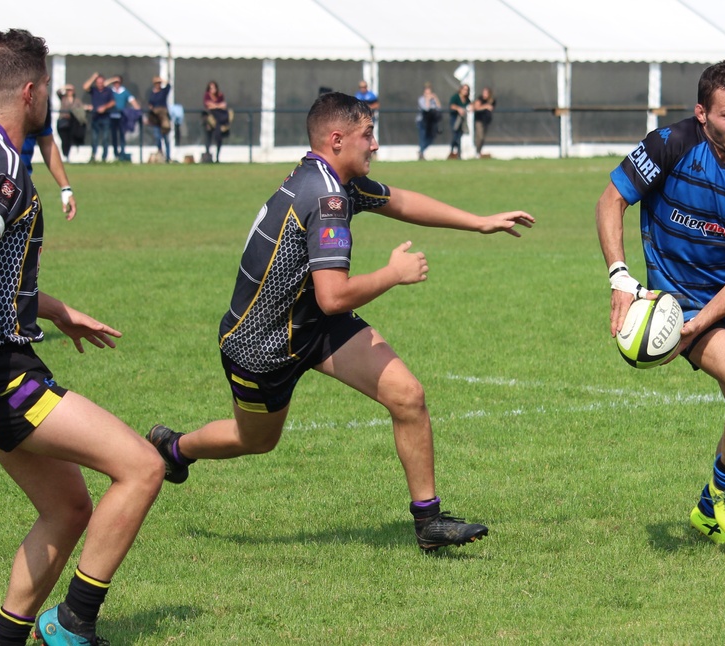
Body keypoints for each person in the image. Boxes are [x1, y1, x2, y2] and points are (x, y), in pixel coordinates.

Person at [146, 91, 534, 552]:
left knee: (407, 395)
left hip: (312, 323)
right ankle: (175, 449)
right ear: (336, 140)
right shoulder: (327, 196)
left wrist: (479, 222)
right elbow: (333, 297)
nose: (375, 144)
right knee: (255, 440)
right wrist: (394, 274)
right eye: (367, 135)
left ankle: (428, 523)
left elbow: (399, 200)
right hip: (262, 346)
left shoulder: (330, 178)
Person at [0, 29, 164, 646]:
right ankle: (72, 625)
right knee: (142, 467)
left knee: (69, 508)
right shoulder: (2, 166)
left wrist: (55, 310)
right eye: (47, 87)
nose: (48, 97)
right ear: (30, 91)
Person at [595, 61, 725, 545]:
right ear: (702, 113)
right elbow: (611, 200)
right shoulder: (671, 145)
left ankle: (706, 510)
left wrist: (706, 321)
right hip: (678, 303)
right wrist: (620, 278)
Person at [0, 86, 78, 220]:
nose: (46, 84)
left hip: (20, 187)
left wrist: (65, 188)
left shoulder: (39, 99)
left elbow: (47, 143)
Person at [82, 72, 115, 162]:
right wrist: (93, 77)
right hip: (95, 117)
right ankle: (93, 156)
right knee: (94, 138)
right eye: (98, 82)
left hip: (105, 118)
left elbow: (113, 102)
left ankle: (104, 158)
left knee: (105, 138)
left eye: (101, 82)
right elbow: (85, 87)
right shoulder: (94, 90)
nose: (100, 84)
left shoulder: (108, 90)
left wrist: (105, 107)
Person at [106, 75, 139, 161]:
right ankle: (116, 154)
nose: (116, 84)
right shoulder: (110, 91)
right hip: (112, 116)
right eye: (115, 82)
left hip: (122, 117)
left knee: (122, 136)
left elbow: (133, 101)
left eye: (118, 82)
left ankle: (122, 154)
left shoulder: (125, 92)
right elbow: (103, 85)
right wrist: (112, 79)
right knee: (113, 136)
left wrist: (138, 110)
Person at [56, 83, 87, 160]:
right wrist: (65, 87)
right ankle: (64, 153)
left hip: (72, 122)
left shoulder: (76, 100)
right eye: (68, 90)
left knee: (69, 139)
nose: (69, 92)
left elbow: (81, 107)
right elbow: (58, 92)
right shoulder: (63, 98)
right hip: (63, 121)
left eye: (71, 90)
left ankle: (67, 155)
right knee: (64, 138)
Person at [203, 80, 231, 163]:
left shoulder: (220, 95)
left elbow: (224, 105)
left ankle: (217, 157)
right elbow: (208, 105)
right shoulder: (207, 95)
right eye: (211, 88)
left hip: (220, 120)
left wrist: (215, 106)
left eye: (214, 88)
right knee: (208, 137)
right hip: (210, 120)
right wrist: (218, 106)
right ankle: (208, 156)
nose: (213, 90)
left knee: (219, 137)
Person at [147, 76, 172, 162]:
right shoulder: (152, 93)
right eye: (156, 83)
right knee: (157, 137)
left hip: (163, 117)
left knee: (166, 138)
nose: (158, 84)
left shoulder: (163, 92)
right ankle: (160, 153)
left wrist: (161, 79)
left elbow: (169, 85)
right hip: (155, 118)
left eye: (159, 83)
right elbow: (150, 103)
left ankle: (168, 157)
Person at [415, 82, 441, 160]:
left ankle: (421, 151)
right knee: (422, 137)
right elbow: (426, 108)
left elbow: (439, 108)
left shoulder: (433, 100)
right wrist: (427, 100)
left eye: (430, 93)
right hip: (422, 121)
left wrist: (435, 98)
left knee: (431, 138)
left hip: (431, 121)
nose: (429, 95)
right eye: (427, 93)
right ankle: (421, 153)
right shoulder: (421, 99)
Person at [448, 83, 471, 159]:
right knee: (455, 136)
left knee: (459, 136)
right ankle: (452, 151)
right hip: (455, 118)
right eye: (464, 89)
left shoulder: (467, 99)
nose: (465, 91)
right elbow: (451, 105)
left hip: (462, 120)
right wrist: (458, 109)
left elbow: (470, 106)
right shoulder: (455, 97)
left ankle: (458, 153)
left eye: (467, 90)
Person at [472, 86, 496, 158]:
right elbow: (476, 108)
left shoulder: (492, 100)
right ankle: (477, 152)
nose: (484, 94)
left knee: (483, 138)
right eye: (484, 93)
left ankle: (479, 152)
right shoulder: (480, 99)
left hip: (486, 121)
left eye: (486, 93)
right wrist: (485, 106)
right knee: (480, 137)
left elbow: (492, 108)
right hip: (479, 120)